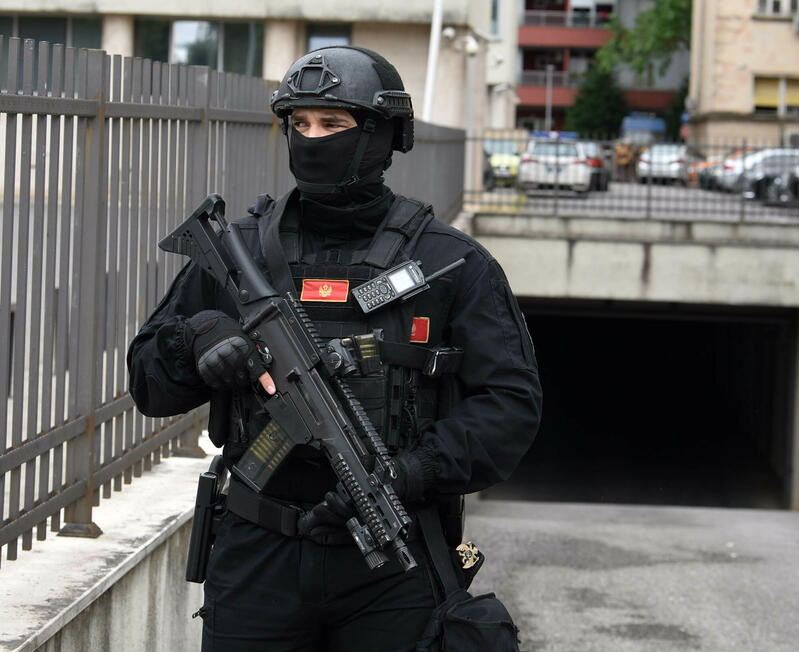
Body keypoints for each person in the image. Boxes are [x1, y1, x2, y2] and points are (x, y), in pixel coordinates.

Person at [127, 45, 542, 651]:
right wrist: (198, 339)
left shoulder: (450, 262)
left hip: (393, 563)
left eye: (332, 123)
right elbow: (147, 383)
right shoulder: (240, 251)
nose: (312, 139)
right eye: (299, 123)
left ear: (381, 136)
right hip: (256, 557)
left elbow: (509, 406)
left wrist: (410, 472)